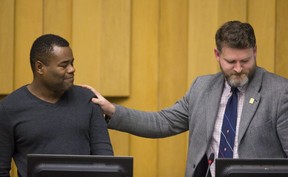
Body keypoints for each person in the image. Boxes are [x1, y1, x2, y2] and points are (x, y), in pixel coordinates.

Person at [83, 20, 288, 177]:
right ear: (217, 55)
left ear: (255, 51)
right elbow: (162, 122)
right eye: (230, 61)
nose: (238, 68)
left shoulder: (280, 92)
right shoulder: (202, 87)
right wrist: (111, 110)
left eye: (245, 60)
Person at [0, 34, 114, 177]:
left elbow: (106, 164)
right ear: (40, 68)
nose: (72, 69)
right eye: (64, 65)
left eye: (72, 63)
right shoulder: (9, 109)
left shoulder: (88, 100)